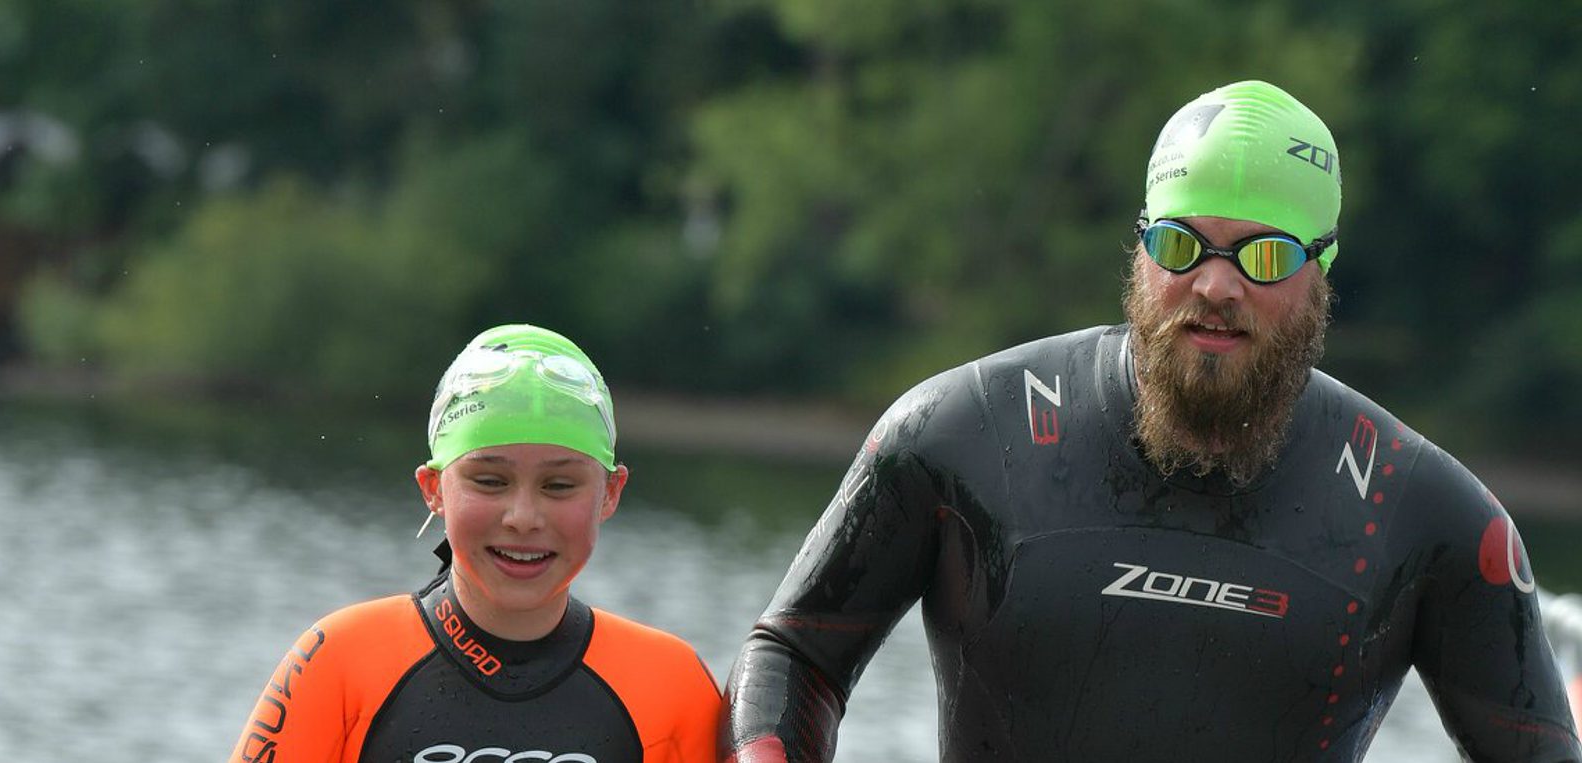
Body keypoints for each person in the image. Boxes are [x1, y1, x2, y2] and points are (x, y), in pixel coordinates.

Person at [721, 80, 1582, 762]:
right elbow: (793, 660)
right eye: (1180, 243)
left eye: (1266, 255)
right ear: (1139, 249)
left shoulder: (1427, 516)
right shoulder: (962, 435)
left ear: (1323, 272)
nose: (1215, 284)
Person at [229, 324, 720, 763]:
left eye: (559, 486)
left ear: (610, 493)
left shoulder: (670, 685)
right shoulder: (340, 660)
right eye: (489, 481)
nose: (523, 518)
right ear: (434, 489)